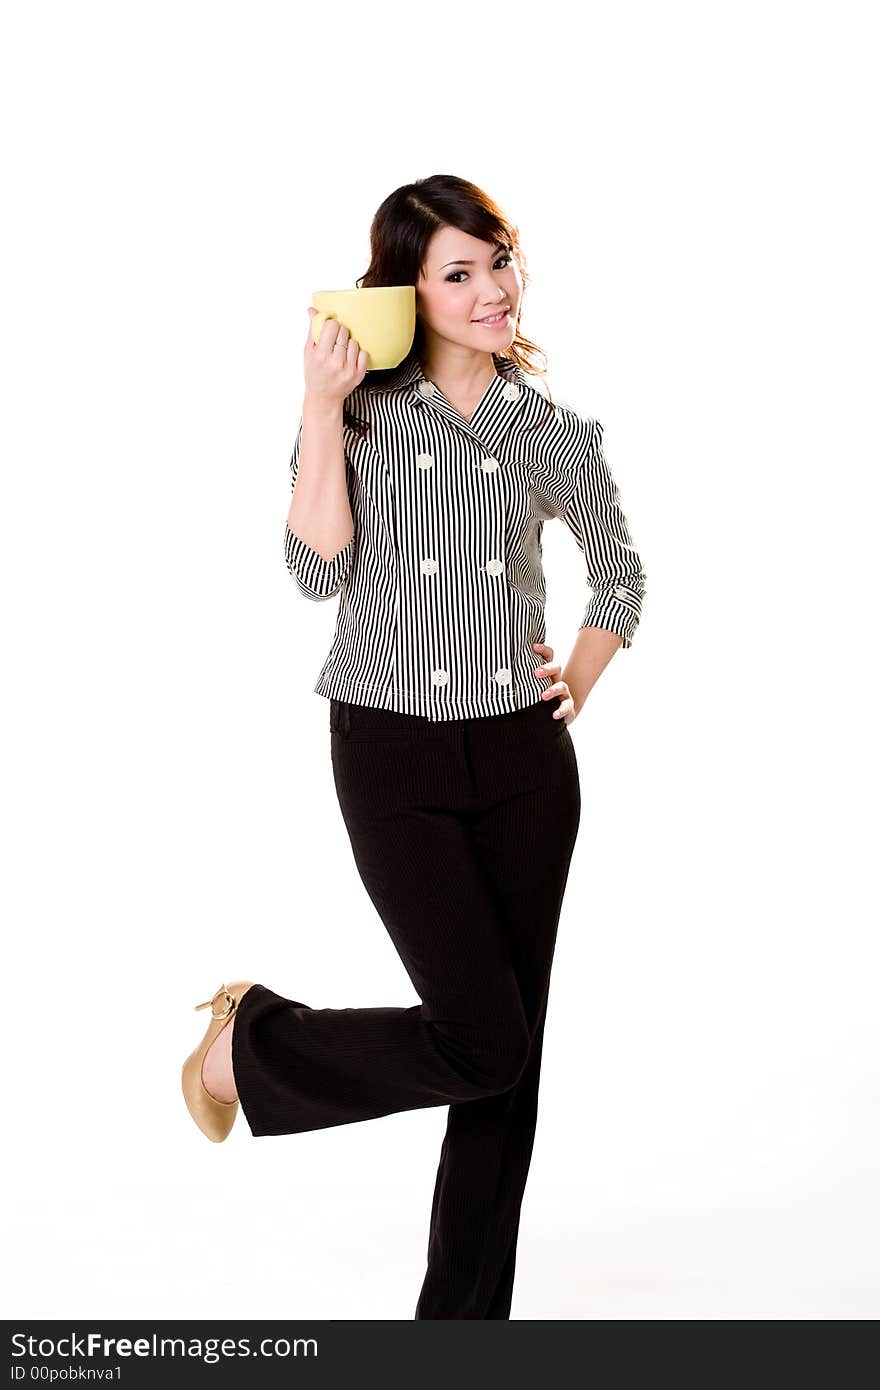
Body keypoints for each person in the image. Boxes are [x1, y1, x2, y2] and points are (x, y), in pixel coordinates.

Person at [181, 174, 647, 1319]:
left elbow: (621, 576)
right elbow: (315, 572)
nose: (492, 289)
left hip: (525, 766)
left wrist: (573, 684)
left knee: (505, 1066)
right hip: (388, 753)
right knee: (480, 1038)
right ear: (408, 292)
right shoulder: (360, 413)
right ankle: (254, 1039)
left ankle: (459, 1333)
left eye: (499, 261)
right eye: (459, 272)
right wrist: (318, 401)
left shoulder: (550, 429)